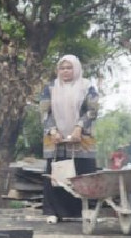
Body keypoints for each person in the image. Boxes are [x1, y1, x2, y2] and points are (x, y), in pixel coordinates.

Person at [41, 54, 98, 223]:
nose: (65, 71)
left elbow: (92, 110)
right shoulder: (50, 88)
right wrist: (52, 131)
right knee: (56, 174)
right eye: (62, 68)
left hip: (81, 138)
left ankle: (84, 212)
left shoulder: (87, 86)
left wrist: (79, 127)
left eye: (69, 68)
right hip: (56, 139)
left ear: (76, 68)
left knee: (83, 173)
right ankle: (54, 212)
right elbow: (45, 111)